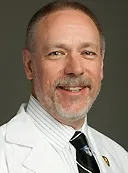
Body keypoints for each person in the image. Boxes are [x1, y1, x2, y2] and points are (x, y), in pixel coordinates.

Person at [0, 0, 128, 173]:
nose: (75, 69)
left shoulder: (120, 158)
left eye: (87, 53)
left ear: (101, 65)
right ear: (29, 65)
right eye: (56, 53)